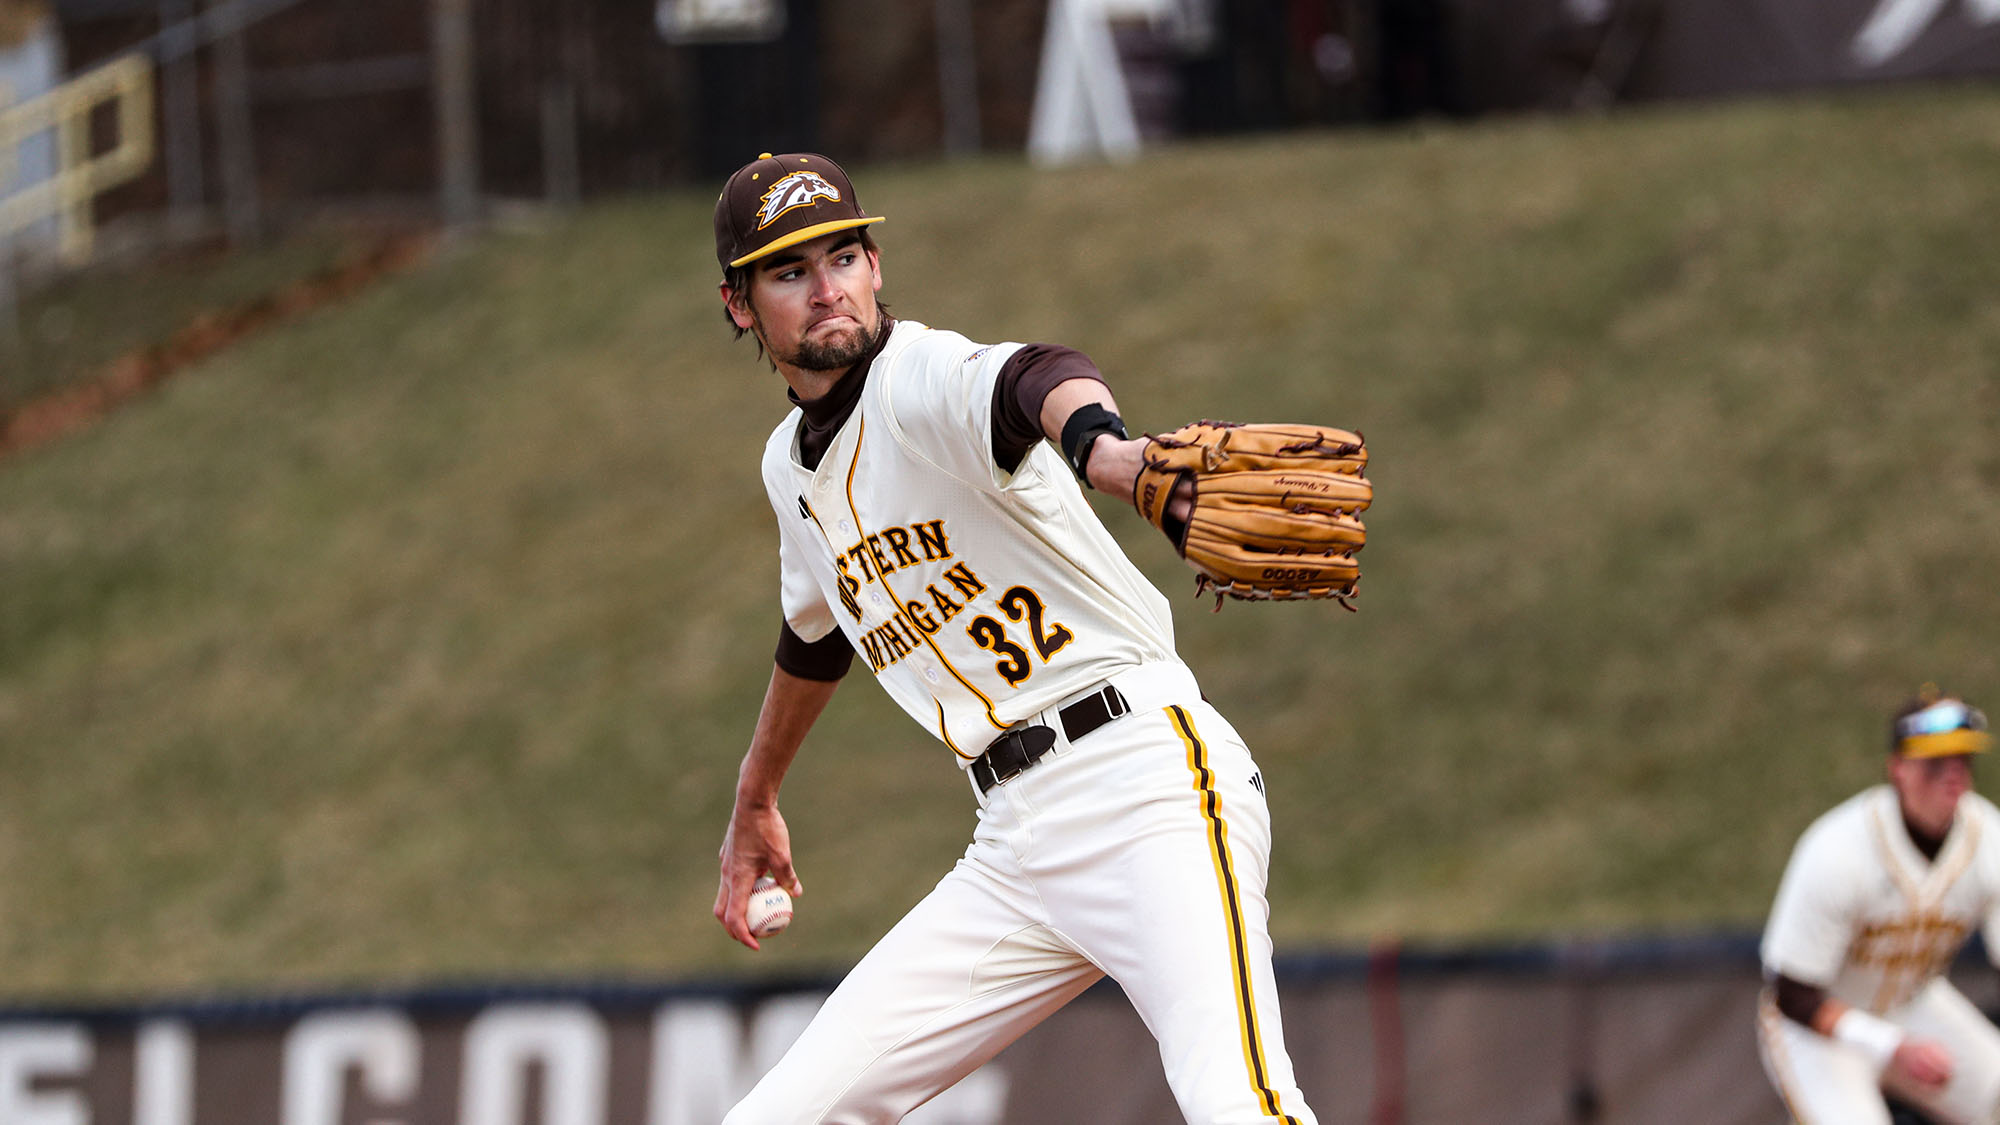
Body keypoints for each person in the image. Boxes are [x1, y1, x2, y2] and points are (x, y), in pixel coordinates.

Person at [708, 151, 1320, 1124]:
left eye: (843, 257)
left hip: (1144, 786)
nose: (826, 289)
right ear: (740, 305)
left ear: (876, 267)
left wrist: (1108, 453)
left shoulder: (914, 377)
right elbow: (813, 634)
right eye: (789, 271)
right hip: (1013, 843)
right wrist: (755, 796)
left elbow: (1034, 377)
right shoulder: (788, 469)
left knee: (1240, 1104)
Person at [1758, 687, 2000, 1124]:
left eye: (1963, 760)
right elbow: (1791, 993)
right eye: (1935, 762)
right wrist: (1889, 1046)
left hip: (1914, 1005)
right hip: (1822, 1029)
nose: (1954, 776)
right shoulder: (1838, 848)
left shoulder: (1988, 839)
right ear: (1899, 769)